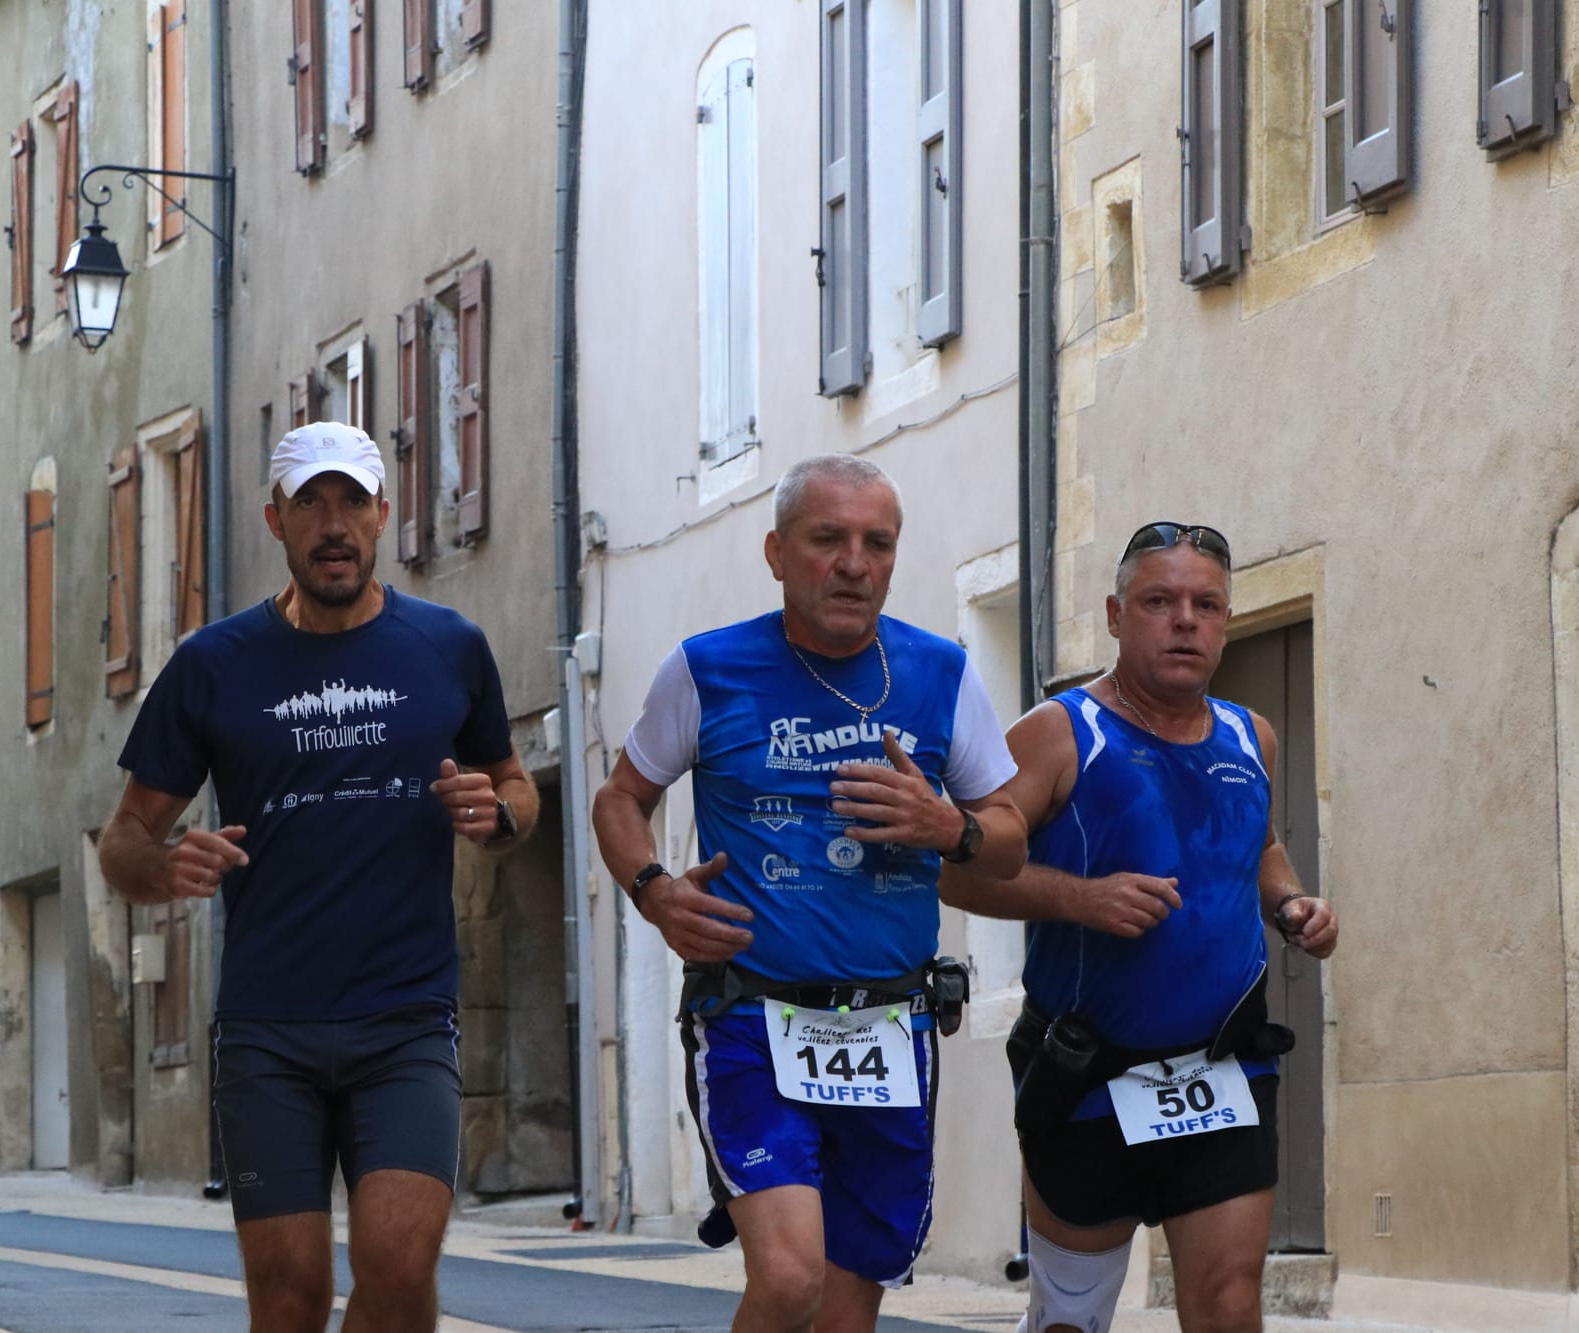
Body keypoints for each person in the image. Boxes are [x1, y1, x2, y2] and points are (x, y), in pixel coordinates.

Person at [98, 422, 539, 1333]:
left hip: (407, 1018)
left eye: (351, 501)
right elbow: (124, 841)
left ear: (384, 515)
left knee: (400, 1259)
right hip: (269, 1028)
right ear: (275, 519)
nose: (332, 524)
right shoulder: (212, 666)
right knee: (292, 1295)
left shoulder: (450, 646)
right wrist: (164, 863)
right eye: (310, 502)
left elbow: (516, 786)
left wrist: (496, 816)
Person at [593, 454, 1028, 1333]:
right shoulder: (708, 669)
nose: (854, 562)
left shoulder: (942, 672)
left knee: (845, 1304)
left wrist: (951, 829)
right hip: (755, 1014)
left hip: (889, 1028)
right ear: (777, 551)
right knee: (789, 1277)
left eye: (877, 543)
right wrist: (654, 890)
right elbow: (620, 797)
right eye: (827, 539)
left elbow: (1011, 834)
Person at [941, 522, 1338, 1333]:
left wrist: (1294, 903)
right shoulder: (1059, 731)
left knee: (1230, 1305)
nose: (1185, 620)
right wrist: (1081, 900)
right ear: (1117, 615)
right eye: (1159, 601)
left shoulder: (1247, 735)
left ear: (1225, 619)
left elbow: (1257, 844)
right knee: (1071, 1318)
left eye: (1205, 604)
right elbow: (959, 869)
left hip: (1222, 1073)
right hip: (1087, 1070)